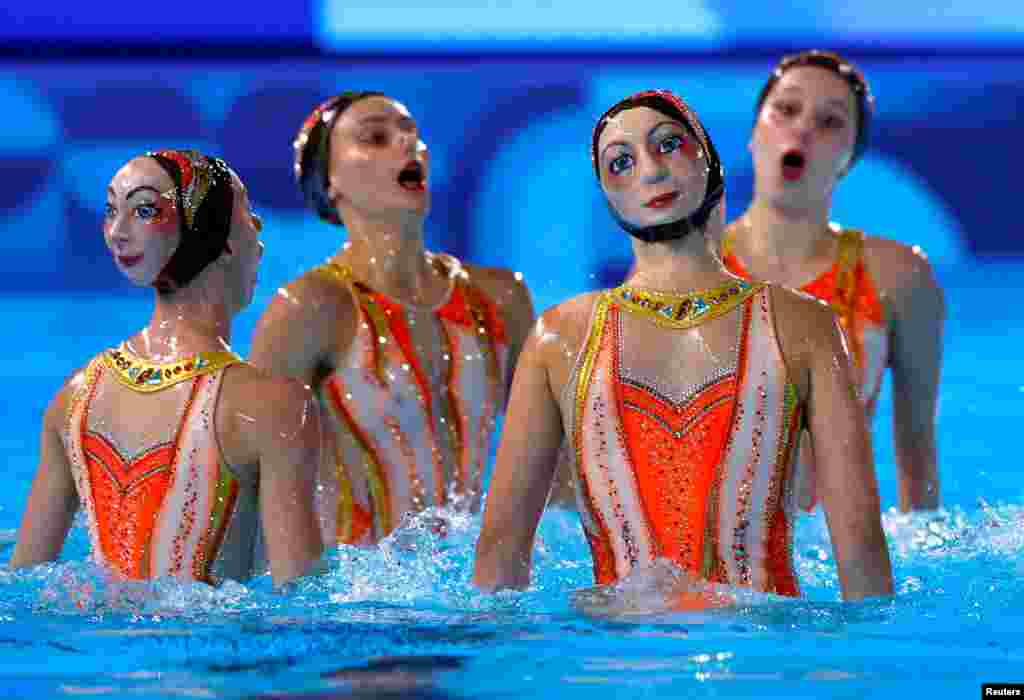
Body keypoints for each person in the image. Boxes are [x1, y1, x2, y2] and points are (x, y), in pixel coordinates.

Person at [473, 90, 893, 602]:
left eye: (668, 144)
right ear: (607, 198)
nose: (650, 171)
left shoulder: (803, 325)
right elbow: (499, 554)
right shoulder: (558, 339)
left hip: (765, 659)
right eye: (621, 163)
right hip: (612, 669)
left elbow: (860, 544)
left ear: (709, 161)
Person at [9, 149, 324, 587]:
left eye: (139, 211)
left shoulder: (74, 397)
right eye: (115, 210)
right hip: (219, 652)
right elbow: (302, 603)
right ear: (230, 239)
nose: (117, 231)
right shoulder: (274, 408)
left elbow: (22, 582)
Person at [250, 92, 534, 546]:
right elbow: (257, 479)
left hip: (476, 596)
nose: (408, 144)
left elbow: (553, 464)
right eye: (377, 137)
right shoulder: (310, 309)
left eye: (412, 134)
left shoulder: (501, 297)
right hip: (358, 602)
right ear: (330, 182)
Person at [720, 50, 944, 512]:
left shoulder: (898, 277)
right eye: (786, 109)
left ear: (849, 159)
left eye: (830, 122)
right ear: (753, 132)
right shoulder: (685, 267)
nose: (802, 128)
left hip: (830, 553)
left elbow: (916, 457)